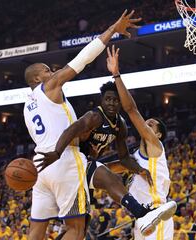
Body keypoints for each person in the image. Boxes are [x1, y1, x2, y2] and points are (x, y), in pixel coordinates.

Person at [23, 10, 142, 240]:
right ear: (37, 79)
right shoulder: (49, 87)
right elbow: (82, 59)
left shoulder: (27, 106)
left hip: (39, 165)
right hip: (62, 159)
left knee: (35, 230)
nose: (53, 71)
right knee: (76, 229)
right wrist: (111, 30)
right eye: (47, 70)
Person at [36, 57, 176, 236]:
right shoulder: (94, 116)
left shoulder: (122, 127)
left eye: (115, 100)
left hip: (85, 170)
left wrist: (138, 169)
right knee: (110, 179)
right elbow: (71, 129)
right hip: (71, 162)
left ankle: (143, 214)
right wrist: (56, 152)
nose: (111, 103)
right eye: (107, 99)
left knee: (79, 228)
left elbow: (124, 159)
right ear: (102, 100)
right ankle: (142, 212)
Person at [106, 46, 177, 239]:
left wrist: (116, 75)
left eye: (152, 125)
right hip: (142, 218)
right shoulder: (135, 157)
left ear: (159, 135)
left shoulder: (156, 147)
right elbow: (111, 169)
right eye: (147, 122)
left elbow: (130, 109)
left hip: (158, 214)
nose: (147, 123)